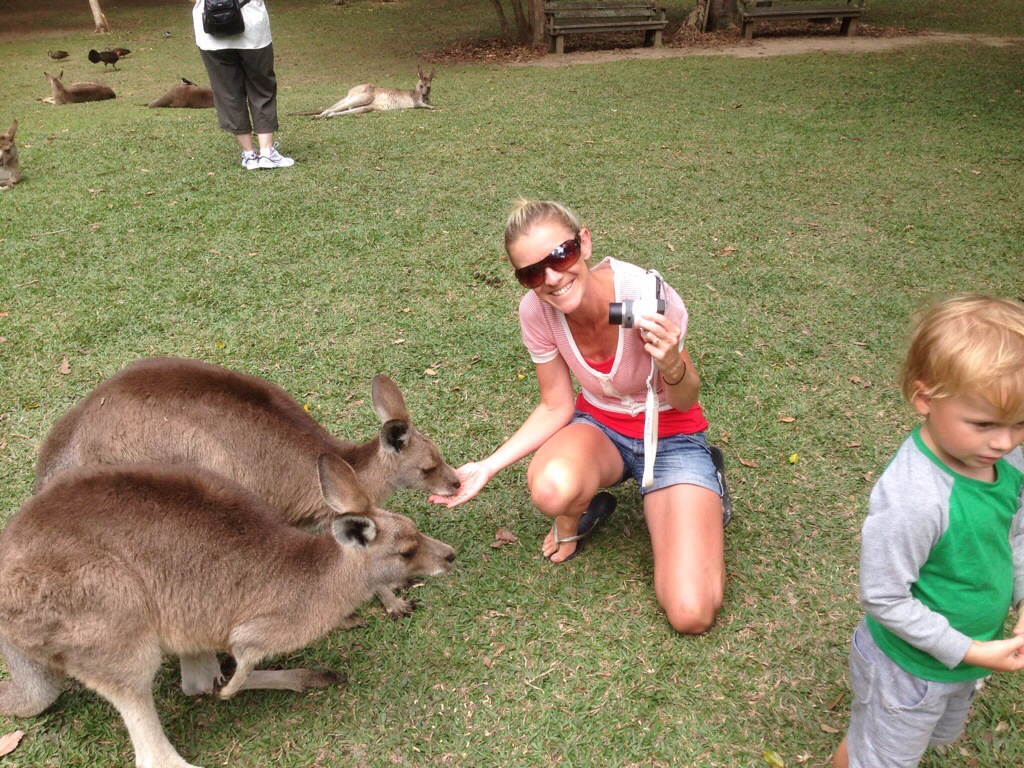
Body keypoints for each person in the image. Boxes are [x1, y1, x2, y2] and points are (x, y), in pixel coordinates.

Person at [430, 199, 730, 634]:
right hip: (601, 430)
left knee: (691, 613)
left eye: (561, 254)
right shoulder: (537, 312)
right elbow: (556, 404)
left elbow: (685, 401)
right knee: (552, 489)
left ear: (584, 242)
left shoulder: (645, 294)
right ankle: (579, 512)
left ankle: (708, 477)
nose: (551, 278)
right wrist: (488, 466)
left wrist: (671, 365)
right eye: (532, 273)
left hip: (670, 436)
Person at [832, 294, 1024, 768]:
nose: (1004, 441)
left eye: (1021, 422)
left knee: (890, 745)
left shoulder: (1008, 461)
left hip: (965, 661)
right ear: (925, 398)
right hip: (907, 671)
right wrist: (970, 649)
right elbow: (883, 597)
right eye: (983, 423)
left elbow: (1014, 535)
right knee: (877, 759)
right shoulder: (916, 498)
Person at [192, 0, 294, 170]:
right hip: (252, 28)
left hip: (210, 29)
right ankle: (267, 153)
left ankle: (249, 155)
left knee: (227, 92)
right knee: (262, 88)